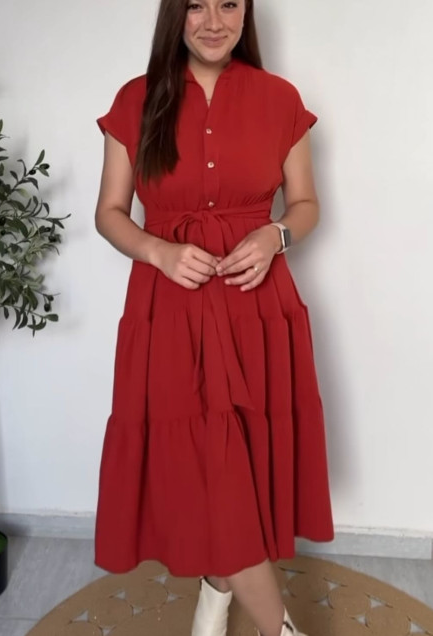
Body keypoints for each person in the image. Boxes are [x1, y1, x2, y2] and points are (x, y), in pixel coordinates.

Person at [94, 0, 335, 635]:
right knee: (209, 472)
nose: (213, 21)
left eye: (229, 3)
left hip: (256, 308)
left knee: (240, 469)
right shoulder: (136, 99)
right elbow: (109, 213)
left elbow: (306, 204)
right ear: (175, 15)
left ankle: (215, 595)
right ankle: (281, 630)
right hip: (170, 312)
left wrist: (276, 236)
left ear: (246, 13)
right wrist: (158, 251)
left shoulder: (280, 99)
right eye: (196, 5)